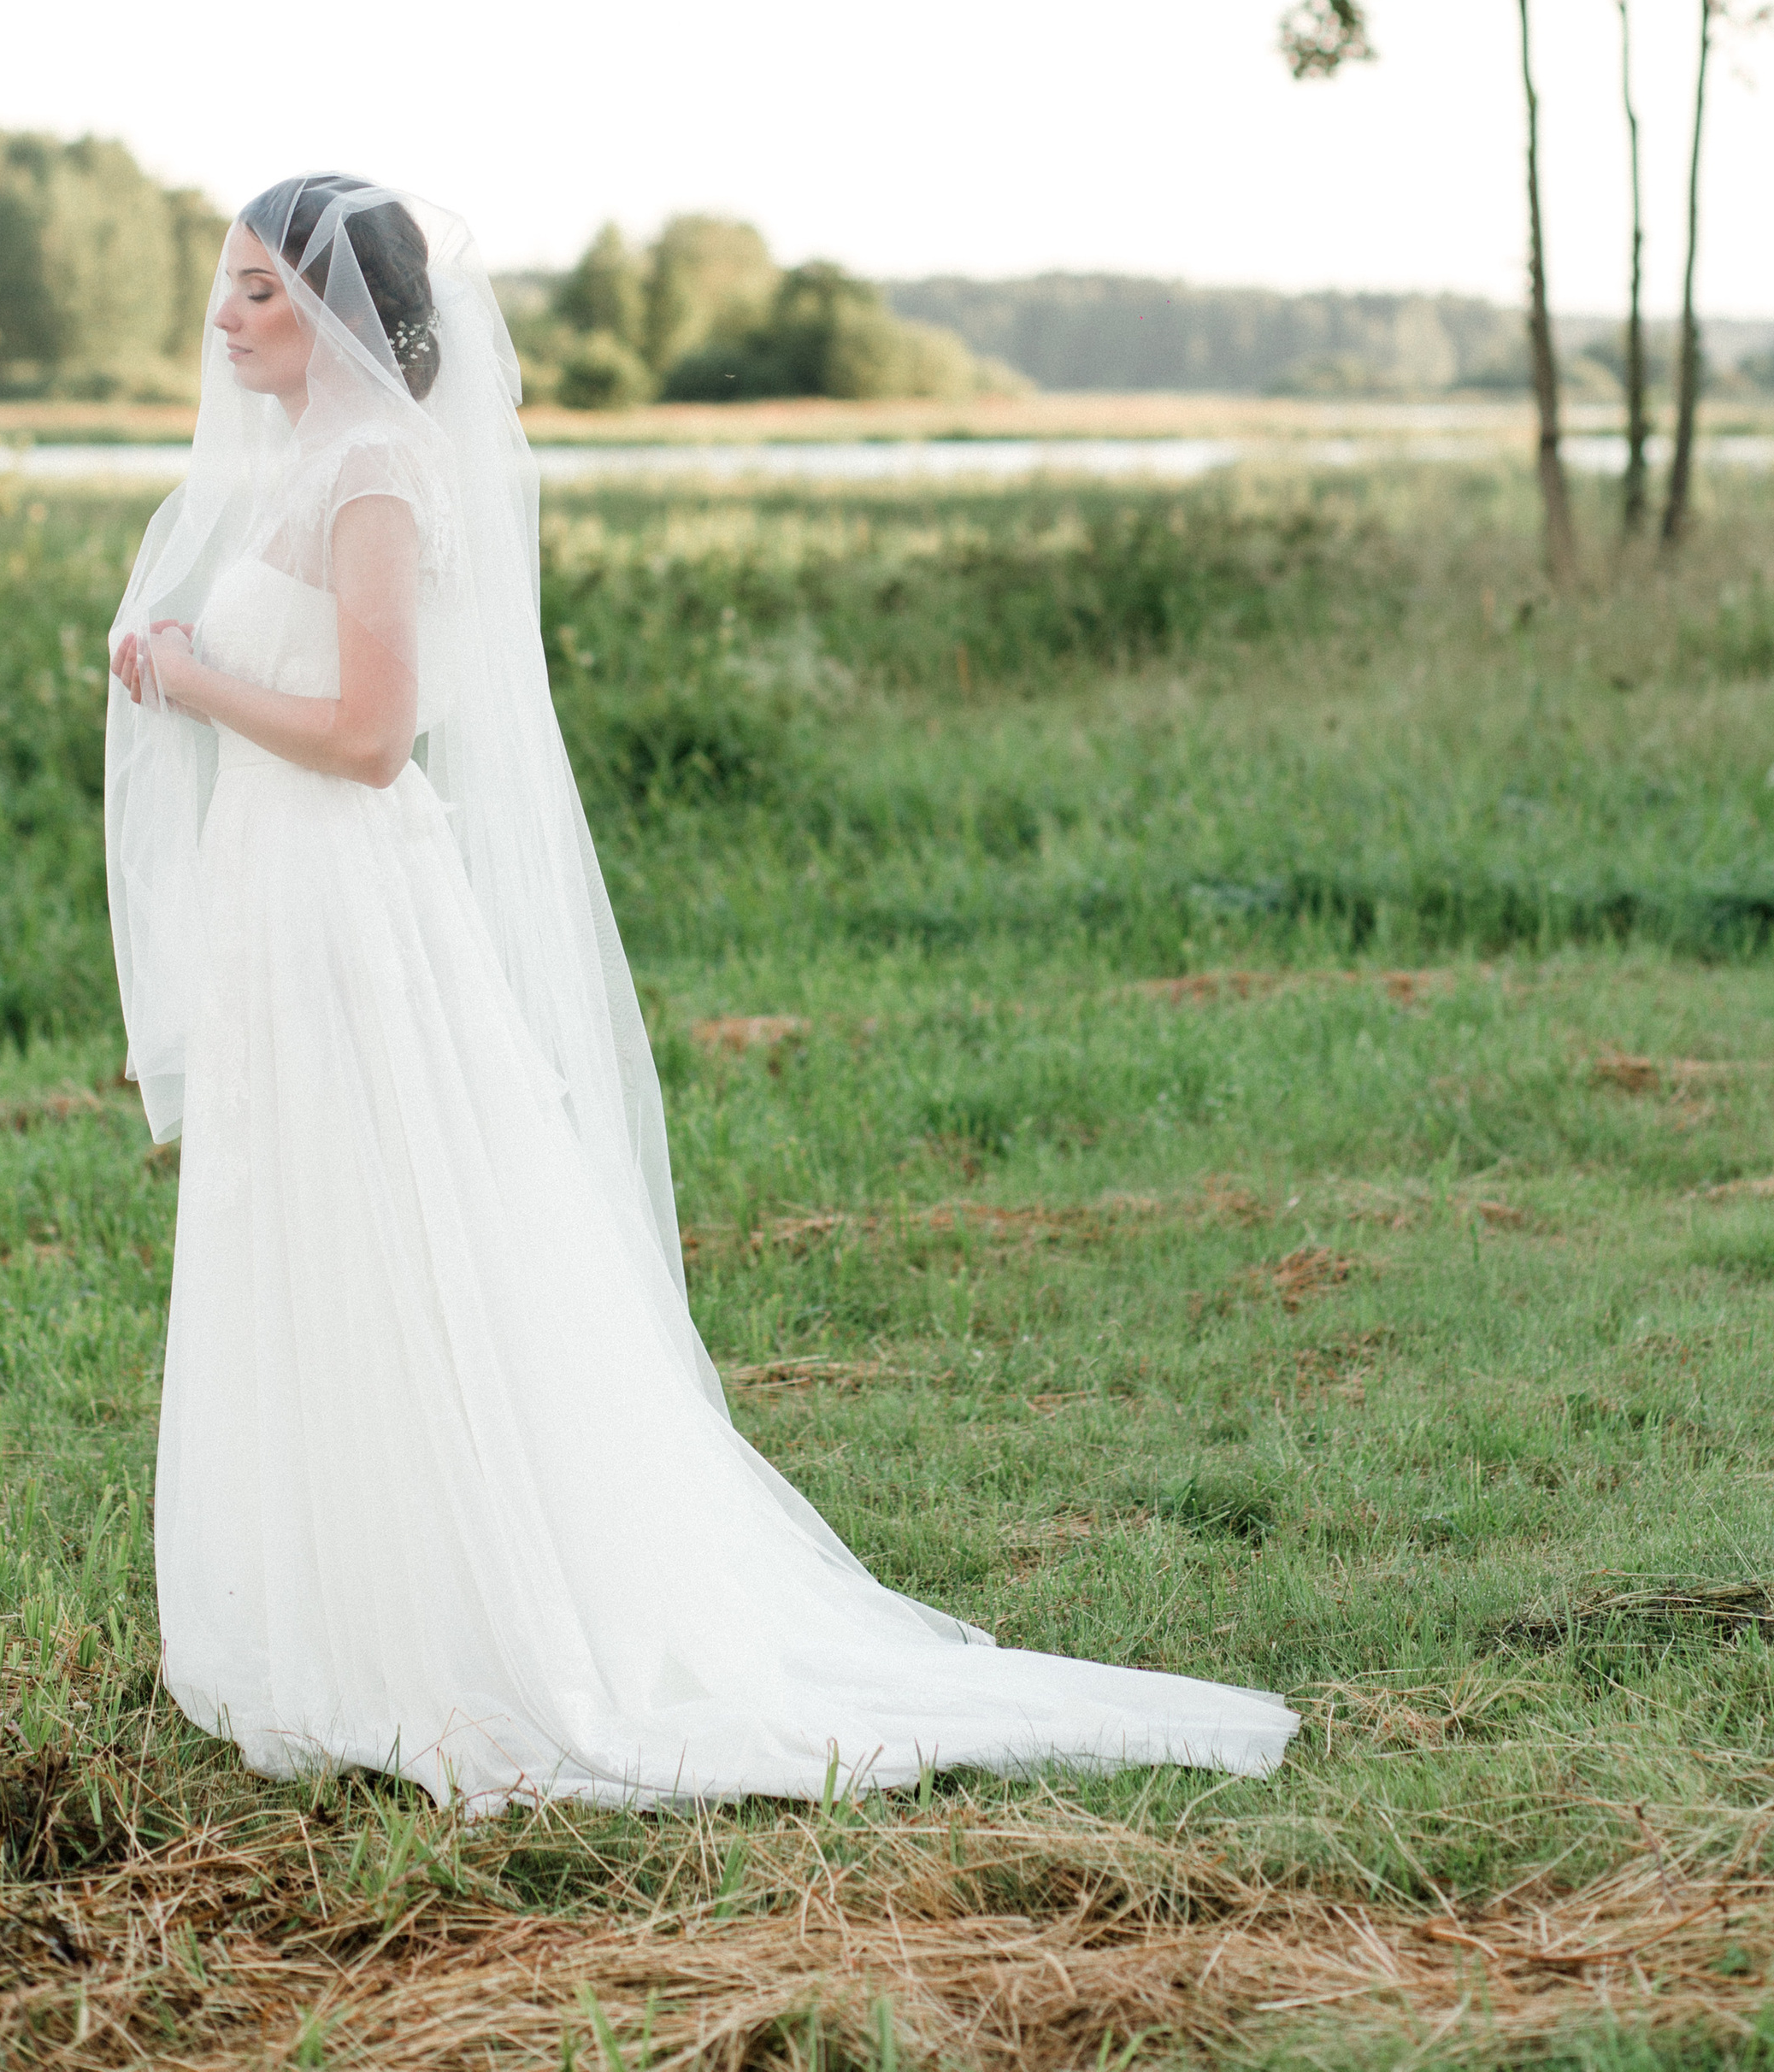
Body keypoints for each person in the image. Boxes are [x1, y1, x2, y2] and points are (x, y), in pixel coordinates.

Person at [106, 176, 1298, 1811]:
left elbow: (374, 743)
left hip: (348, 908)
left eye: (253, 289)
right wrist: (190, 666)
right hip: (281, 903)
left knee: (402, 1231)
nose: (224, 318)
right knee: (316, 1227)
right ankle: (345, 1607)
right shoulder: (295, 471)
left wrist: (189, 676)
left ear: (322, 310)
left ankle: (474, 1625)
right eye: (226, 288)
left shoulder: (374, 475)